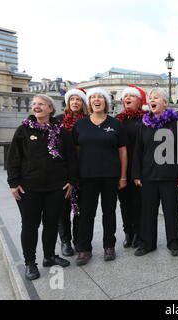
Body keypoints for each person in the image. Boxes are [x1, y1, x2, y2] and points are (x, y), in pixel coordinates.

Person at [7, 94, 77, 280]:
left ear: (50, 108)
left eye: (41, 104)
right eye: (34, 104)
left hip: (56, 187)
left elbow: (71, 158)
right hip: (29, 188)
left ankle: (49, 256)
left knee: (51, 224)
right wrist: (13, 183)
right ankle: (30, 262)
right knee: (30, 225)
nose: (36, 106)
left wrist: (71, 180)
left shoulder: (62, 131)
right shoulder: (23, 130)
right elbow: (13, 158)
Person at [73, 88, 128, 266]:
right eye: (93, 98)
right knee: (86, 214)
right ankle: (84, 249)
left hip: (110, 176)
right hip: (87, 177)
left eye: (100, 97)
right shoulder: (80, 124)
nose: (97, 100)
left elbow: (123, 151)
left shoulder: (116, 123)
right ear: (89, 103)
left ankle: (109, 246)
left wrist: (123, 176)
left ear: (106, 102)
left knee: (109, 212)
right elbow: (76, 151)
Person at [133, 88, 178, 257]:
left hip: (170, 177)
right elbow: (138, 151)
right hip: (148, 176)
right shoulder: (143, 124)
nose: (152, 100)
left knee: (171, 211)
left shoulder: (174, 124)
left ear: (165, 102)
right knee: (147, 212)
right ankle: (147, 244)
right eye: (150, 98)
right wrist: (136, 174)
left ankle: (175, 243)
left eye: (156, 98)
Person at [55, 88, 88, 256]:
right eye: (72, 99)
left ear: (83, 103)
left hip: (83, 170)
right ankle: (65, 241)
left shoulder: (88, 121)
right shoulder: (58, 121)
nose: (75, 102)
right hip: (63, 171)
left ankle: (78, 239)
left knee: (81, 208)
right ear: (68, 102)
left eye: (79, 99)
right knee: (63, 208)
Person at [115, 85, 148, 249]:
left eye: (131, 96)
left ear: (140, 101)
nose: (127, 98)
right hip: (122, 169)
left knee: (138, 202)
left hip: (141, 168)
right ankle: (128, 232)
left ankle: (138, 232)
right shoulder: (117, 120)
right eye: (125, 96)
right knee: (124, 202)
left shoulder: (146, 119)